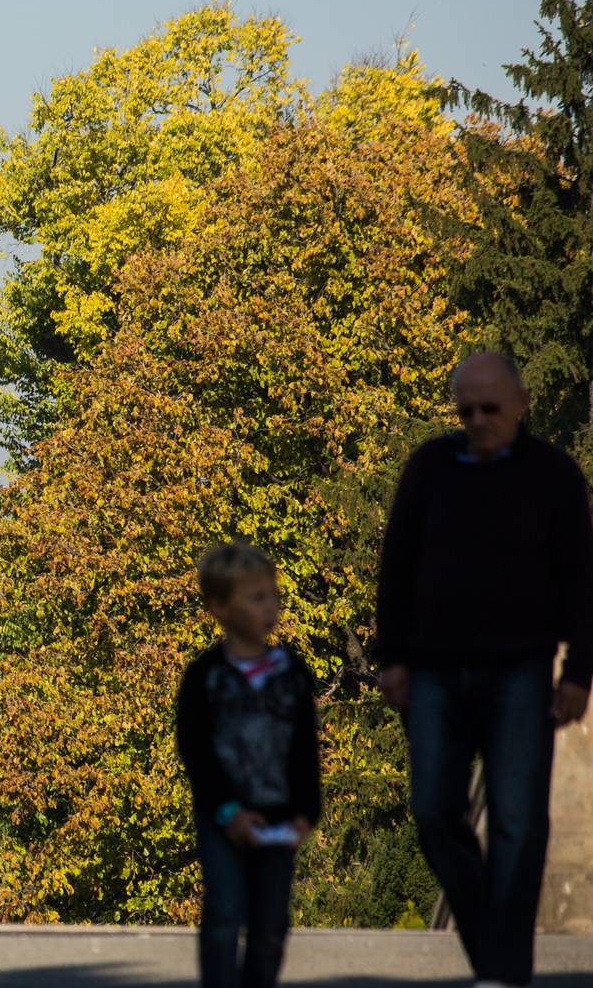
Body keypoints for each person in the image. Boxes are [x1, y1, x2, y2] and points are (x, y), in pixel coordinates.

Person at [374, 352, 593, 988]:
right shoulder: (431, 469)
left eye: (489, 409)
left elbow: (582, 582)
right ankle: (496, 951)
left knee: (521, 825)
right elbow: (398, 565)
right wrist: (392, 657)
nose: (476, 420)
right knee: (435, 811)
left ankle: (506, 975)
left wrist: (579, 671)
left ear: (521, 404)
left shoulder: (552, 476)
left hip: (520, 672)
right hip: (437, 673)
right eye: (464, 409)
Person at [176, 542, 320, 988]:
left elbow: (304, 748)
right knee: (224, 910)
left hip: (278, 815)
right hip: (224, 817)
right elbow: (195, 750)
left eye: (272, 595)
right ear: (219, 606)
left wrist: (305, 812)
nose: (270, 606)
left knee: (271, 922)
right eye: (256, 597)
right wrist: (227, 810)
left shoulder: (290, 671)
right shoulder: (204, 677)